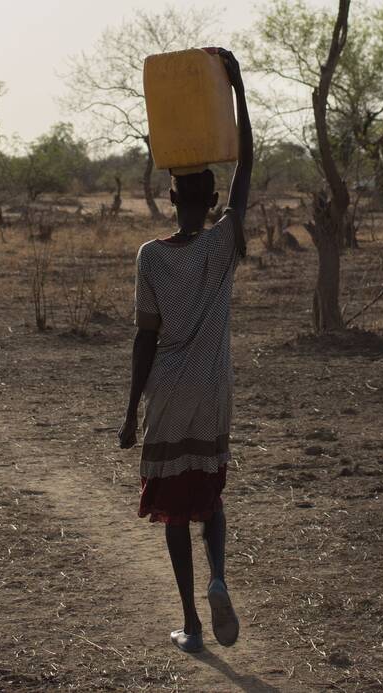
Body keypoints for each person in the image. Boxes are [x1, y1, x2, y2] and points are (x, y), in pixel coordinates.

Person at [119, 46, 252, 654]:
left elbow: (144, 338)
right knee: (210, 497)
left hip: (169, 390)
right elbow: (246, 164)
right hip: (214, 390)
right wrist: (239, 92)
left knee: (173, 510)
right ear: (213, 199)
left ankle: (192, 623)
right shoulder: (224, 246)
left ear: (173, 199)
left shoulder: (152, 256)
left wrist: (129, 414)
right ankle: (220, 577)